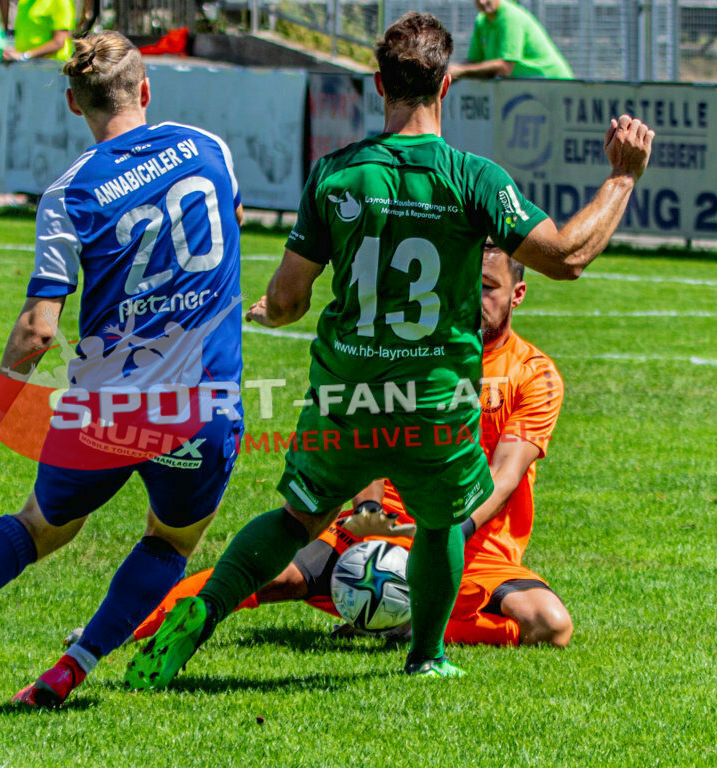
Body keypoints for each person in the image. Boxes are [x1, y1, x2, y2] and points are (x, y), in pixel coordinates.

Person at [125, 10, 651, 688]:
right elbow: (568, 256)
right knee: (440, 522)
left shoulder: (335, 174)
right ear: (448, 83)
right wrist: (622, 177)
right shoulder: (474, 178)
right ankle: (426, 654)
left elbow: (287, 300)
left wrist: (271, 307)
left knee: (294, 517)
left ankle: (202, 613)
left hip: (348, 392)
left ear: (379, 84)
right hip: (433, 399)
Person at [0, 30, 246, 710]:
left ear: (73, 103)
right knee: (171, 540)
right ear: (145, 90)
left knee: (42, 525)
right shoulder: (209, 147)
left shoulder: (69, 194)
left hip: (107, 410)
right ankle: (71, 669)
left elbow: (39, 331)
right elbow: (229, 226)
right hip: (201, 408)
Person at [128, 243, 571, 648]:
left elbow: (503, 477)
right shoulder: (415, 353)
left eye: (490, 287)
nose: (474, 298)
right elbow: (371, 442)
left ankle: (404, 623)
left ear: (518, 294)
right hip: (384, 533)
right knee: (270, 572)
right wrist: (368, 513)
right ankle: (128, 624)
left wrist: (451, 533)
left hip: (474, 548)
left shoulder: (534, 374)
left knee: (549, 623)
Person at [449, 0, 573, 81]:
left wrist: (461, 71)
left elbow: (505, 67)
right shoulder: (481, 21)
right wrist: (449, 73)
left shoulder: (510, 17)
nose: (483, 2)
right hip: (529, 88)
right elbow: (473, 61)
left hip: (557, 85)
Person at [2, 0, 74, 61]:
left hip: (52, 67)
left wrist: (24, 56)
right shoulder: (24, 2)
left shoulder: (61, 2)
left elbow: (59, 42)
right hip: (27, 66)